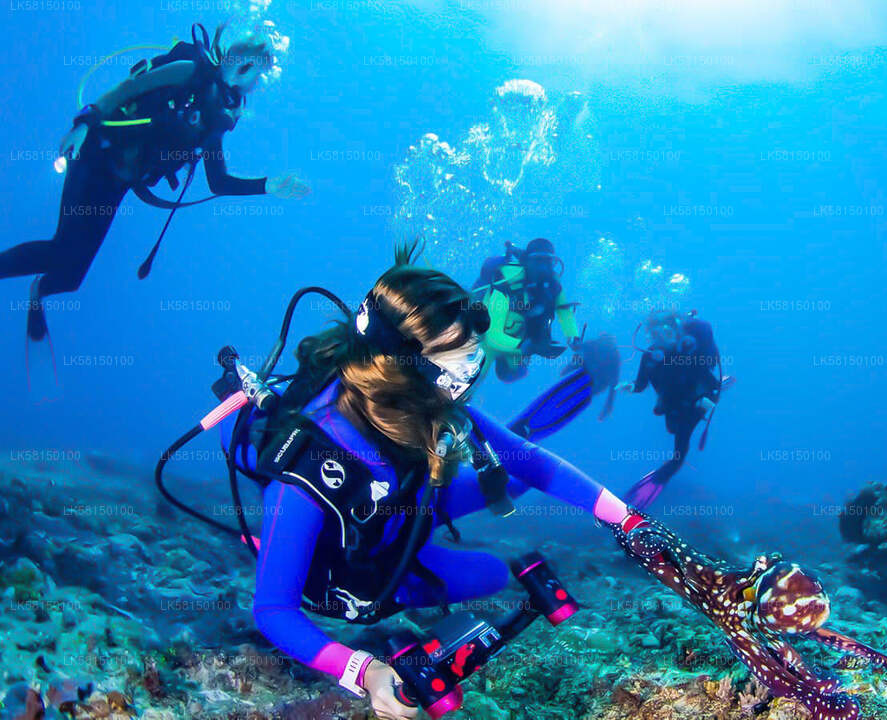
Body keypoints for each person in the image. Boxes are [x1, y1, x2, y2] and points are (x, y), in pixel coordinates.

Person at [243, 246, 639, 719]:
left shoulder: (424, 397)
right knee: (486, 560)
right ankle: (282, 548)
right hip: (351, 570)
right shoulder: (307, 469)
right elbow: (272, 610)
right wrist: (364, 671)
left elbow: (532, 462)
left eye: (474, 357)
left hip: (405, 512)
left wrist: (629, 520)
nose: (471, 376)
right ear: (400, 365)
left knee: (509, 490)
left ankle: (503, 447)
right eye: (458, 365)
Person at [0, 23, 308, 341]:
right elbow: (125, 91)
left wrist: (268, 186)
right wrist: (83, 124)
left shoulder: (217, 118)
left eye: (256, 73)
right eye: (251, 67)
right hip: (96, 156)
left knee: (70, 277)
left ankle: (38, 291)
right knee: (61, 251)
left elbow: (218, 182)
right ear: (237, 59)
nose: (251, 79)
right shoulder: (189, 70)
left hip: (117, 184)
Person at [619, 309, 725, 510]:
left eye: (665, 333)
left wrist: (708, 400)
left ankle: (661, 478)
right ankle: (661, 477)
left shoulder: (688, 353)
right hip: (670, 407)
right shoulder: (650, 357)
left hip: (693, 407)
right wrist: (631, 387)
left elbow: (712, 384)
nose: (659, 338)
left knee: (678, 455)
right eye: (654, 333)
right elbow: (641, 384)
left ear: (676, 332)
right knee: (672, 428)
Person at [471, 238, 581, 382]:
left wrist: (573, 337)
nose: (543, 269)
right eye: (538, 261)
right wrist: (525, 347)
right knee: (475, 373)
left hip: (517, 341)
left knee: (514, 374)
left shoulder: (553, 286)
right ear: (527, 262)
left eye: (547, 262)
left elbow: (564, 311)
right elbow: (491, 336)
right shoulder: (507, 281)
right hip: (491, 340)